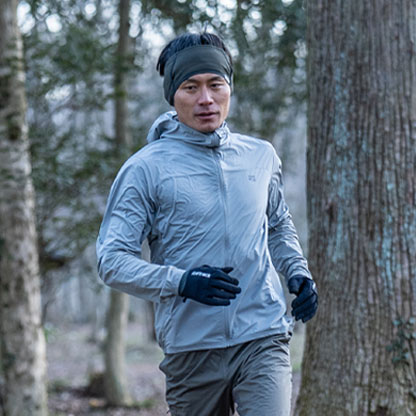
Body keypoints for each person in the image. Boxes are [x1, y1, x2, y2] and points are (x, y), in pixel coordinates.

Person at [96, 31, 318, 416]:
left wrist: (298, 272)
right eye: (191, 87)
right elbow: (111, 261)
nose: (206, 99)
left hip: (262, 335)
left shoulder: (260, 156)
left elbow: (278, 225)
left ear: (229, 87)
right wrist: (181, 282)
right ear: (173, 95)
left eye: (216, 84)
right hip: (191, 347)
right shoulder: (145, 169)